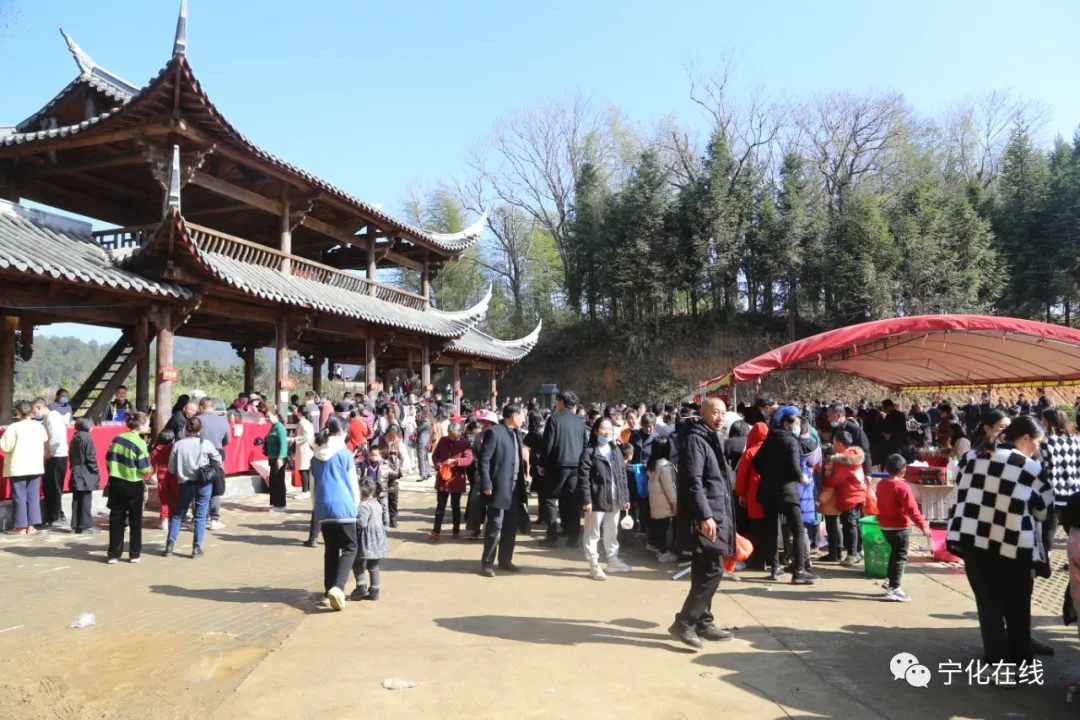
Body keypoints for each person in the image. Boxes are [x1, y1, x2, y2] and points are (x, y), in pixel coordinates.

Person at [946, 416, 1053, 669]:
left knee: (989, 605)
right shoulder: (1029, 467)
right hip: (1014, 544)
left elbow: (959, 491)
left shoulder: (972, 457)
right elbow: (1043, 510)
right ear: (1025, 438)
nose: (1038, 447)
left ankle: (996, 663)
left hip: (972, 539)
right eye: (1038, 442)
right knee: (1018, 606)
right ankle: (1020, 660)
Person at [669, 397, 736, 650]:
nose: (720, 417)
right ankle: (685, 622)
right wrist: (705, 516)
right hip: (708, 514)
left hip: (719, 510)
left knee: (703, 569)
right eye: (715, 412)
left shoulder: (713, 436)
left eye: (723, 413)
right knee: (712, 569)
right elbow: (693, 482)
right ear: (703, 413)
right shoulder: (695, 439)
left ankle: (703, 621)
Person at [753, 406, 818, 585]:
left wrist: (769, 473)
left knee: (771, 529)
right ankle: (799, 570)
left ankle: (775, 568)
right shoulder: (791, 441)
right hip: (787, 491)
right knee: (797, 528)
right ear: (787, 424)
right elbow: (794, 466)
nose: (798, 427)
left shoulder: (769, 439)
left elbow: (756, 461)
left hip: (767, 490)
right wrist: (801, 477)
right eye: (796, 423)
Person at [312, 415, 360, 611]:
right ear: (342, 432)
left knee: (330, 550)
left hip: (323, 508)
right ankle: (338, 588)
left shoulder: (315, 455)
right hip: (344, 507)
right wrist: (355, 506)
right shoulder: (345, 453)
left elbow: (313, 486)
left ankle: (327, 592)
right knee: (350, 547)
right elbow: (353, 484)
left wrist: (316, 509)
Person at [578, 417, 632, 580]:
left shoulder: (615, 450)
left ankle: (613, 561)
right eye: (603, 428)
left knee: (611, 531)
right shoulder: (589, 453)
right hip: (597, 499)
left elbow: (622, 475)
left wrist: (625, 496)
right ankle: (594, 565)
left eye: (609, 428)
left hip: (615, 498)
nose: (607, 431)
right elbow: (583, 478)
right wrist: (587, 500)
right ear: (595, 431)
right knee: (593, 532)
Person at [477, 403, 527, 577]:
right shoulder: (494, 433)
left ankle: (505, 559)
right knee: (494, 525)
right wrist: (487, 484)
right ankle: (487, 563)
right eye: (522, 415)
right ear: (513, 415)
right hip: (498, 487)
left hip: (514, 489)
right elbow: (484, 460)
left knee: (510, 526)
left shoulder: (516, 433)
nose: (524, 418)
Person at [876, 454, 930, 602]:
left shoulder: (881, 484)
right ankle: (894, 587)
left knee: (894, 555)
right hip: (899, 527)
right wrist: (923, 525)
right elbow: (912, 509)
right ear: (903, 471)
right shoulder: (902, 487)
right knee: (900, 557)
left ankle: (890, 581)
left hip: (884, 526)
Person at [164, 417, 220, 559]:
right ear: (200, 430)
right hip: (203, 483)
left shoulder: (178, 445)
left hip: (185, 483)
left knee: (178, 515)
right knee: (200, 516)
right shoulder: (206, 444)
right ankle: (196, 547)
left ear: (185, 429)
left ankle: (170, 545)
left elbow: (171, 469)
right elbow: (218, 460)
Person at [538, 391, 587, 548]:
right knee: (573, 501)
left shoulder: (554, 419)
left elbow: (548, 444)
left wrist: (542, 463)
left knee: (551, 499)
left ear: (562, 402)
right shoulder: (580, 421)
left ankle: (551, 536)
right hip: (576, 465)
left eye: (557, 401)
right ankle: (573, 536)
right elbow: (585, 444)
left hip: (557, 465)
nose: (556, 404)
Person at [105, 412, 152, 564]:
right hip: (133, 483)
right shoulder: (140, 443)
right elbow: (145, 469)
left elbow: (108, 460)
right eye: (147, 424)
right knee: (135, 519)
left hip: (116, 482)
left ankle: (113, 554)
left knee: (116, 518)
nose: (149, 427)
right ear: (140, 425)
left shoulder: (117, 439)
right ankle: (134, 554)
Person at [1, 400, 48, 535]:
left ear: (19, 412)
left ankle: (20, 526)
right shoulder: (39, 426)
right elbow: (44, 439)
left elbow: (5, 446)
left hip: (19, 466)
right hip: (35, 465)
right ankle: (32, 526)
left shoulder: (14, 427)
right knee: (33, 496)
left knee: (19, 496)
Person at [822, 430, 867, 567]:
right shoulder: (855, 456)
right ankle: (859, 550)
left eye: (834, 442)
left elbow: (836, 480)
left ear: (840, 444)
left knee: (850, 525)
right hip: (858, 493)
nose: (833, 444)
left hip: (850, 496)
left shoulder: (842, 461)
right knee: (856, 523)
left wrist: (827, 476)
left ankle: (852, 553)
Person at [1040, 409, 1080, 548]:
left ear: (1050, 421)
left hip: (1053, 490)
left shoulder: (1045, 442)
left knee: (1050, 527)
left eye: (1043, 419)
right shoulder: (1076, 440)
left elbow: (1042, 467)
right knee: (1073, 529)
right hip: (1074, 489)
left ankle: (1045, 561)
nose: (1041, 422)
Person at [734, 422, 769, 570]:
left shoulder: (749, 452)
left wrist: (740, 494)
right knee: (769, 528)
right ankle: (771, 559)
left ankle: (757, 559)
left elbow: (742, 476)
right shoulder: (772, 450)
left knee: (756, 528)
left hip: (753, 495)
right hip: (770, 495)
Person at [429, 421, 473, 539]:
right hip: (443, 477)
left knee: (455, 505)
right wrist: (438, 464)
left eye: (454, 435)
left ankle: (456, 531)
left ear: (460, 433)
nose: (451, 437)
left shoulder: (465, 443)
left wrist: (456, 461)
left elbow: (469, 459)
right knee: (440, 504)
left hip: (456, 478)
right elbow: (435, 455)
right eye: (450, 434)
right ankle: (436, 530)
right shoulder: (443, 440)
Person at [351, 477, 388, 601]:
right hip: (378, 539)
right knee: (373, 566)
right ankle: (374, 591)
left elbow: (361, 522)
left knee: (357, 563)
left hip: (365, 539)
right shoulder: (377, 503)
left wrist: (350, 520)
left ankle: (361, 588)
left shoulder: (363, 505)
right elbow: (384, 519)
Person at [196, 397, 230, 530]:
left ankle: (199, 518)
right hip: (217, 455)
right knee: (217, 488)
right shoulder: (223, 421)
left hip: (199, 456)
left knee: (198, 486)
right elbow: (227, 441)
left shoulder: (197, 420)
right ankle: (214, 519)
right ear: (213, 408)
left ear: (201, 407)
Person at [647, 436, 679, 563]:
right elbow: (669, 487)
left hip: (655, 501)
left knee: (658, 527)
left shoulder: (652, 464)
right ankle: (664, 553)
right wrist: (674, 503)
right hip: (665, 502)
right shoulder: (664, 466)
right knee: (664, 528)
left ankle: (659, 549)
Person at [68, 416, 100, 534]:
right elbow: (90, 458)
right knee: (86, 499)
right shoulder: (87, 438)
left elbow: (71, 455)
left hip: (76, 471)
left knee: (76, 499)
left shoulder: (75, 437)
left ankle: (75, 524)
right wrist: (96, 471)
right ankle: (86, 525)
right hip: (86, 471)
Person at [42, 396, 69, 527]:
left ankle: (56, 515)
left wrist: (50, 452)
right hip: (55, 455)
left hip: (57, 456)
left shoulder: (52, 417)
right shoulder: (49, 417)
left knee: (54, 487)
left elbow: (55, 436)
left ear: (39, 408)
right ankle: (55, 513)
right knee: (50, 486)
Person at [826, 403, 872, 477]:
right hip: (838, 471)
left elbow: (865, 452)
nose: (827, 419)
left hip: (852, 472)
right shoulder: (835, 428)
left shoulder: (855, 430)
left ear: (837, 416)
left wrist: (868, 474)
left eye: (829, 416)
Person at [151, 429, 178, 531]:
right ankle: (174, 518)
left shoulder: (155, 450)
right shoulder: (174, 448)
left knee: (164, 499)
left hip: (161, 476)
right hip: (174, 475)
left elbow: (152, 465)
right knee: (174, 498)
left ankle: (164, 520)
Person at [523, 409, 547, 525]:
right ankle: (545, 515)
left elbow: (525, 441)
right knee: (545, 492)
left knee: (541, 493)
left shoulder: (535, 432)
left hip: (538, 463)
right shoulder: (547, 428)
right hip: (546, 462)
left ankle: (543, 516)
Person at [378, 425, 405, 527]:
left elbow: (404, 457)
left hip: (394, 472)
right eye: (390, 436)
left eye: (393, 436)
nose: (391, 438)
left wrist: (403, 469)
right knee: (381, 495)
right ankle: (382, 518)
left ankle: (393, 517)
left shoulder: (399, 443)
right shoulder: (379, 440)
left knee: (393, 495)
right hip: (381, 472)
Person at [295, 406, 316, 501]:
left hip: (305, 449)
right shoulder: (305, 423)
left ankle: (305, 491)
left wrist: (295, 439)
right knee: (304, 470)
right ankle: (306, 490)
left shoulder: (304, 423)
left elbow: (306, 436)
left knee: (303, 470)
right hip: (304, 449)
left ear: (299, 413)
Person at [416, 406, 433, 482]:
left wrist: (417, 422)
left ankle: (423, 474)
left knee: (421, 458)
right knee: (425, 457)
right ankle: (427, 472)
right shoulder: (429, 420)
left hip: (422, 441)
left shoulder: (425, 421)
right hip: (426, 440)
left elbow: (419, 429)